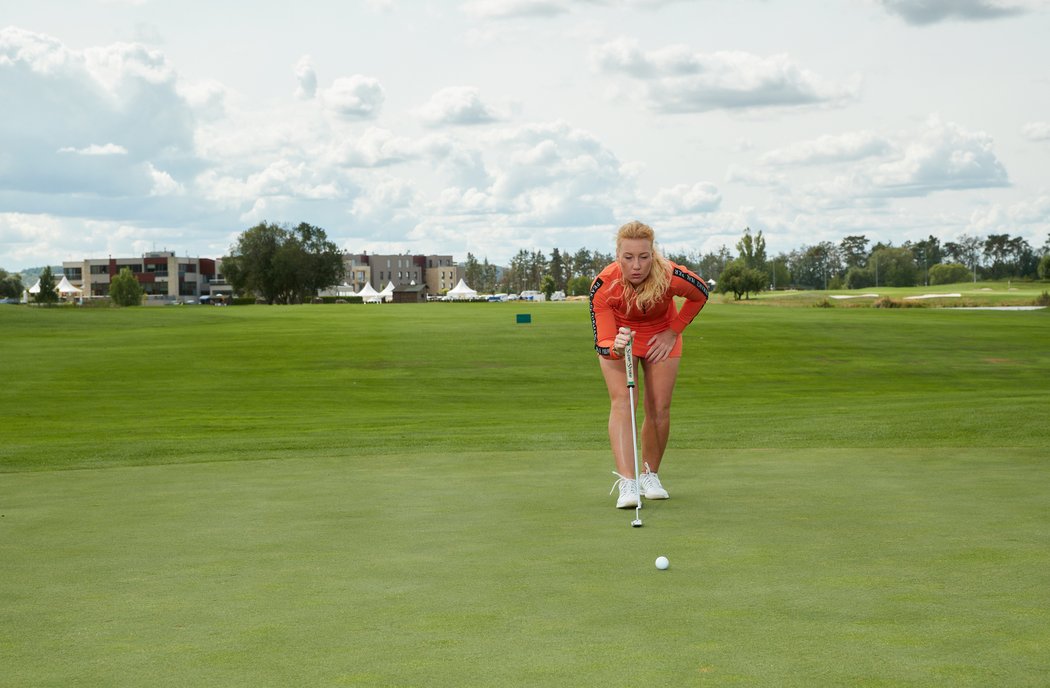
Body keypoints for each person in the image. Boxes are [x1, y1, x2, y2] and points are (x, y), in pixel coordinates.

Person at [589, 220, 710, 509]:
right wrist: (615, 347)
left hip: (661, 335)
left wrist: (673, 331)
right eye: (628, 257)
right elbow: (602, 342)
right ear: (618, 255)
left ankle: (649, 475)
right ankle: (628, 483)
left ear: (653, 253)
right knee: (624, 402)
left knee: (659, 406)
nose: (637, 265)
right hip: (622, 336)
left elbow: (700, 293)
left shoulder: (669, 274)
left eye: (644, 256)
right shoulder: (603, 286)